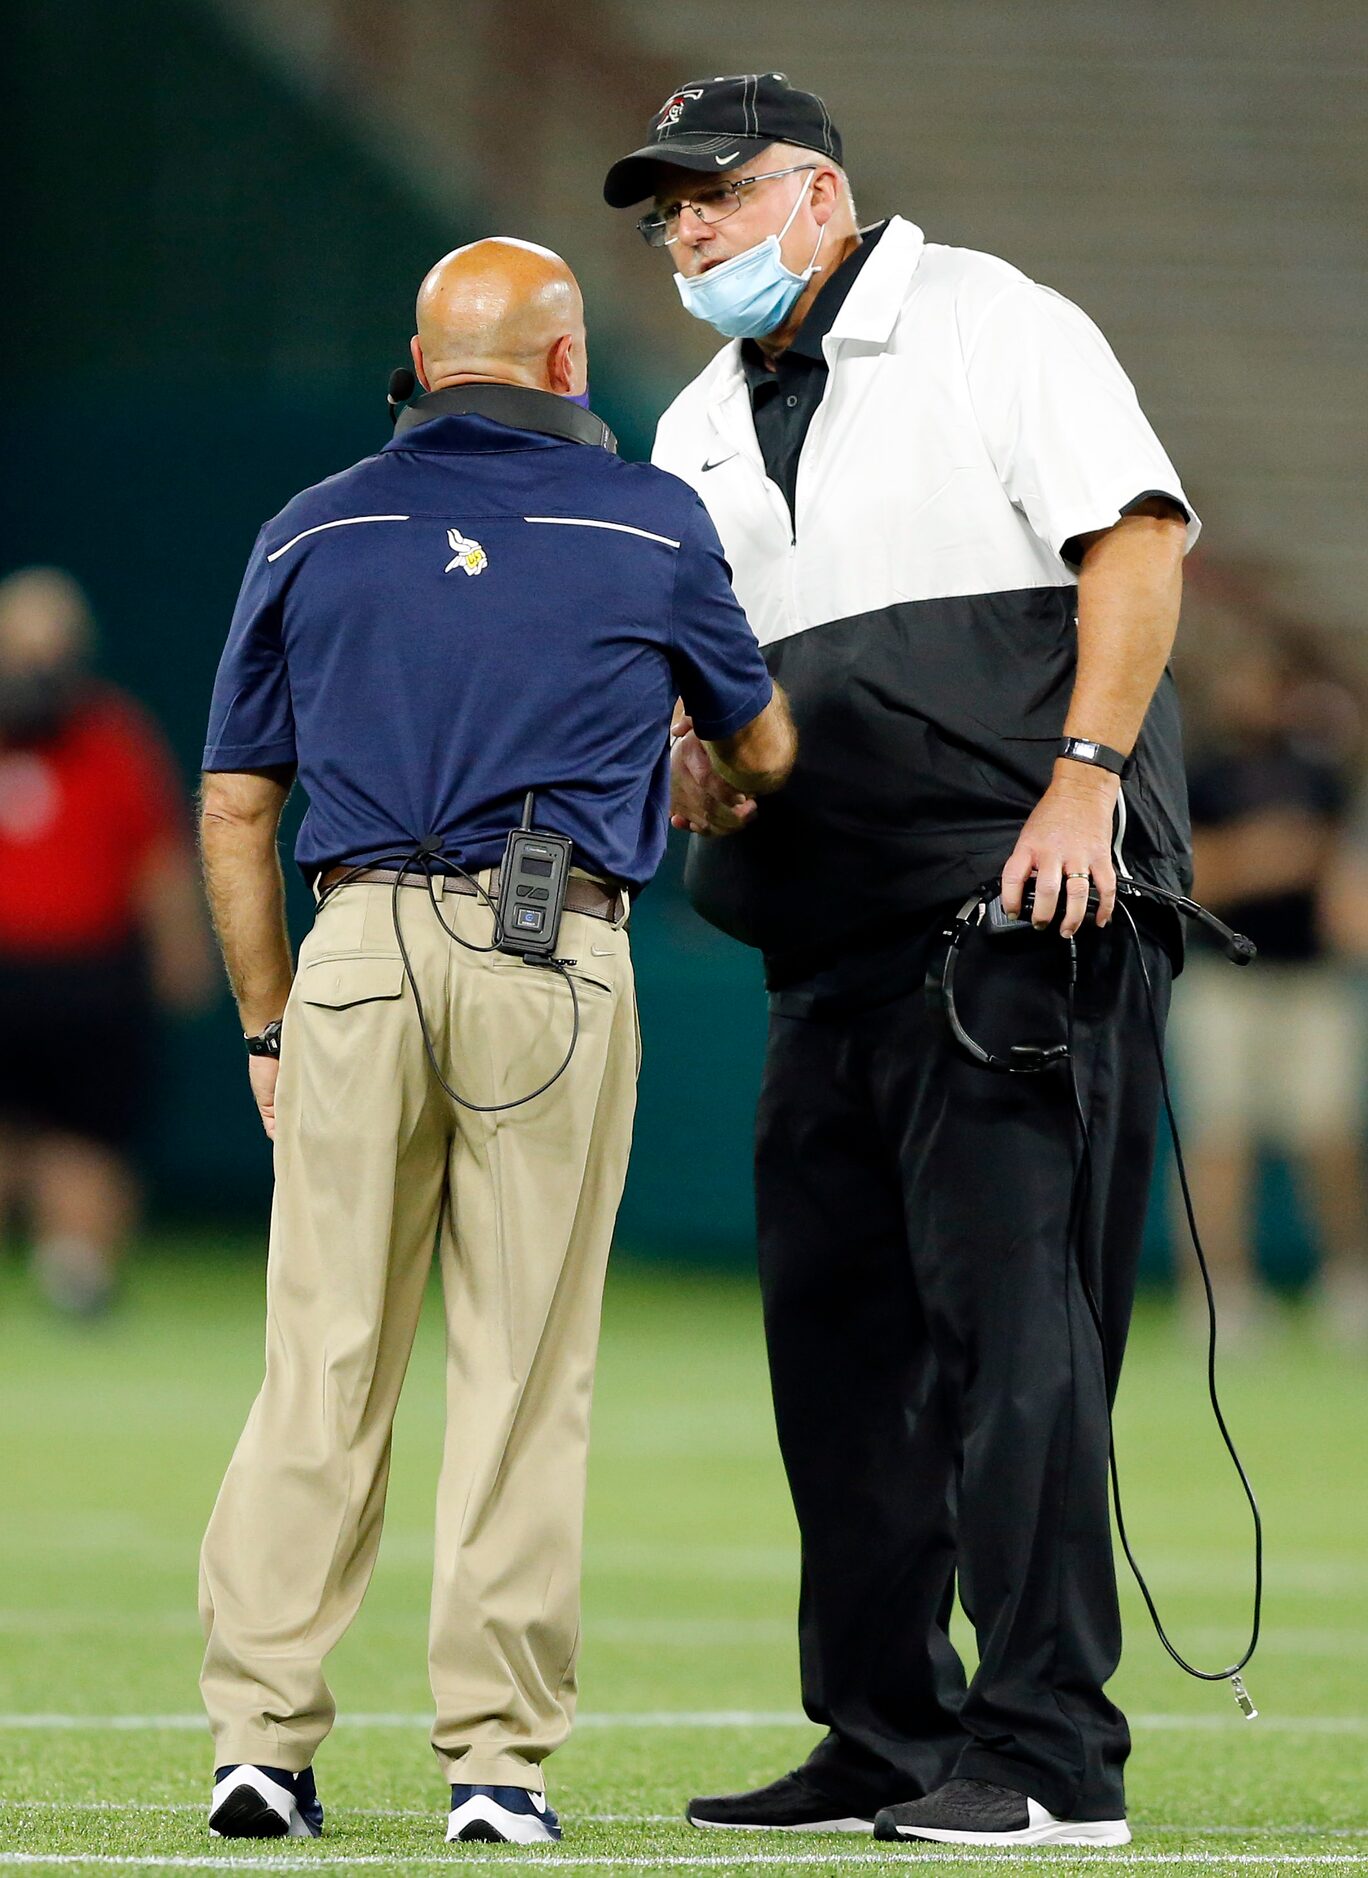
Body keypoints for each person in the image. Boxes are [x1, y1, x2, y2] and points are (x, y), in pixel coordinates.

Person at [604, 73, 1197, 1850]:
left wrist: (1083, 783)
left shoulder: (983, 318)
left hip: (1021, 906)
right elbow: (720, 701)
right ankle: (881, 1724)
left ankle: (1046, 1755)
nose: (685, 230)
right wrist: (699, 762)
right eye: (664, 209)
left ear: (815, 189)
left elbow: (1140, 540)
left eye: (712, 193)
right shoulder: (695, 420)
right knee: (840, 1352)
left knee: (1012, 1342)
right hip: (824, 933)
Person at [196, 237, 794, 1846]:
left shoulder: (312, 526)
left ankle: (260, 1740)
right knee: (523, 1372)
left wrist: (269, 1022)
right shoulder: (647, 520)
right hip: (551, 949)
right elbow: (764, 741)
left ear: (418, 356)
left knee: (319, 1360)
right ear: (564, 362)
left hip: (355, 952)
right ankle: (493, 1769)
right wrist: (710, 765)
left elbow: (238, 805)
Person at [0, 567, 213, 1315]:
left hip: (88, 977)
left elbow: (157, 857)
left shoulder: (113, 735)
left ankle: (77, 1271)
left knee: (87, 1135)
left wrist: (182, 952)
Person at [1174, 631, 1368, 1346]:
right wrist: (1261, 857)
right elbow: (1189, 877)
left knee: (1330, 1135)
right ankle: (1220, 1294)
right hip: (1224, 982)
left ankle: (1349, 1284)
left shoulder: (1320, 773)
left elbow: (1339, 877)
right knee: (1219, 1139)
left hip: (1311, 980)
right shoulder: (1198, 773)